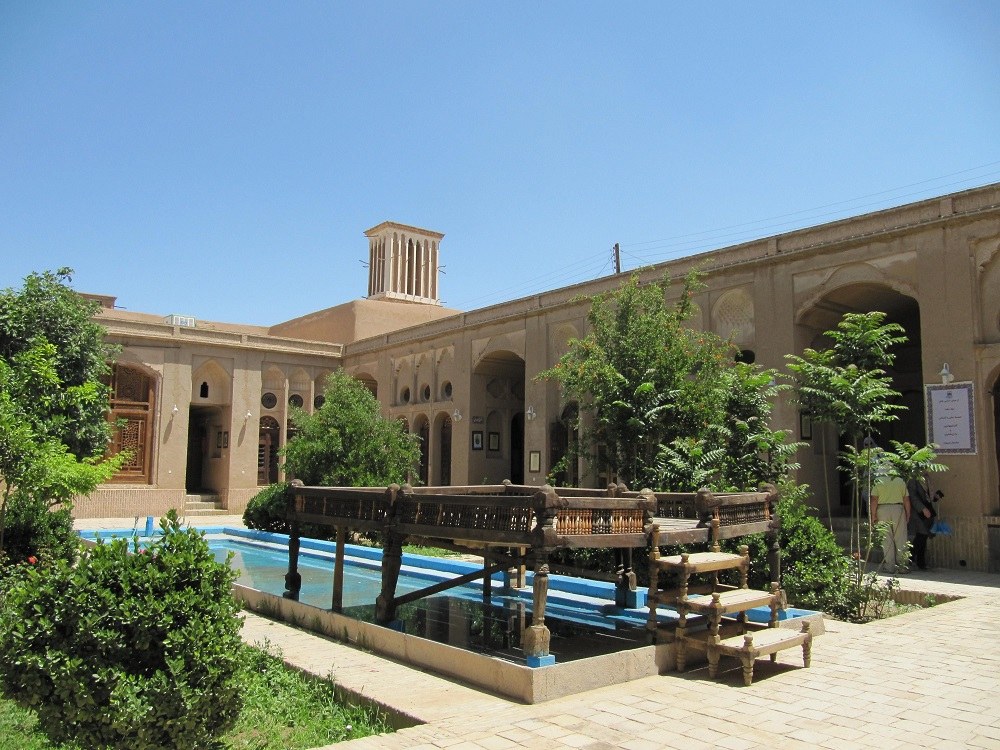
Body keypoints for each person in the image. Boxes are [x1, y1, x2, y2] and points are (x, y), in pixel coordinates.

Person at [870, 471, 910, 573]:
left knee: (886, 538)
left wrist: (873, 515)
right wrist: (908, 513)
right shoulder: (900, 481)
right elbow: (906, 500)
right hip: (898, 508)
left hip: (882, 510)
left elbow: (874, 500)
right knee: (901, 537)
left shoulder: (878, 481)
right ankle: (903, 566)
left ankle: (889, 566)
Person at [906, 477, 937, 571]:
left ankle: (920, 562)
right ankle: (910, 559)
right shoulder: (913, 479)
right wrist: (922, 508)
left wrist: (935, 497)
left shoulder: (926, 478)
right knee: (922, 534)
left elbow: (927, 496)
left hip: (927, 510)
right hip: (918, 512)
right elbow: (912, 496)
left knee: (923, 535)